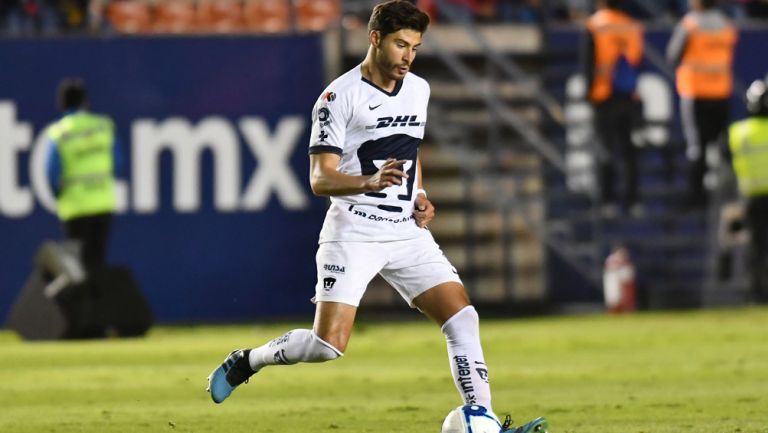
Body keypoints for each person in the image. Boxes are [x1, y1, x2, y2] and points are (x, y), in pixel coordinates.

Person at [206, 2, 548, 431]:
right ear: (375, 39)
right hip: (354, 231)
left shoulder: (418, 89)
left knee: (462, 317)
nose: (408, 56)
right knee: (328, 345)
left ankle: (485, 421)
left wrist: (419, 192)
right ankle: (248, 360)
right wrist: (369, 183)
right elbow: (320, 178)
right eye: (400, 44)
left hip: (405, 231)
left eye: (415, 47)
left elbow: (410, 149)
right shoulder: (337, 98)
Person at [666, 0, 738, 209]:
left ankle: (697, 197)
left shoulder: (690, 25)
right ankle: (728, 194)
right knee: (722, 146)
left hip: (696, 94)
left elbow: (673, 55)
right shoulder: (726, 24)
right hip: (721, 93)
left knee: (698, 147)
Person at [46, 77, 119, 274]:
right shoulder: (103, 126)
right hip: (102, 204)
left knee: (76, 269)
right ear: (85, 102)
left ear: (61, 104)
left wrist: (59, 195)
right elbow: (118, 164)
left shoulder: (59, 132)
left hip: (75, 208)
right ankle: (98, 305)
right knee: (97, 264)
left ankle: (81, 305)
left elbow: (52, 173)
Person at [581, 0, 644, 217]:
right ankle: (633, 200)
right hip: (627, 96)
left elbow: (588, 63)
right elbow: (637, 61)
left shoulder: (595, 24)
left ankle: (607, 200)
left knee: (605, 149)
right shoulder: (631, 25)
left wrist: (588, 92)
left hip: (603, 97)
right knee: (628, 150)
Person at [727, 78, 768, 303]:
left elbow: (725, 169)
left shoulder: (738, 132)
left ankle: (757, 293)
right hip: (755, 199)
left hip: (750, 199)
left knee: (756, 249)